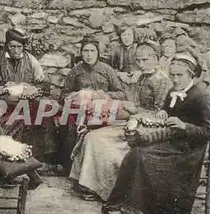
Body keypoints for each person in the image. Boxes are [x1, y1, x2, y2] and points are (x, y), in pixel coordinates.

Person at [104, 52, 210, 214]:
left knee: (143, 154)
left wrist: (185, 126)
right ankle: (117, 204)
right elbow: (166, 110)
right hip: (172, 139)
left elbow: (208, 131)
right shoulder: (173, 91)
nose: (175, 79)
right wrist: (163, 113)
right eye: (172, 75)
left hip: (188, 148)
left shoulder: (201, 95)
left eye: (180, 75)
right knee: (134, 153)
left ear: (191, 75)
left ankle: (143, 211)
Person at [69, 40, 172, 201]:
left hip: (147, 128)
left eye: (145, 60)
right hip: (133, 120)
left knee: (100, 141)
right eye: (138, 60)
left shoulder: (162, 80)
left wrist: (134, 109)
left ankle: (106, 189)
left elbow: (160, 113)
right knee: (91, 135)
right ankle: (88, 184)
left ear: (156, 58)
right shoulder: (143, 77)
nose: (140, 64)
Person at [0, 27, 50, 184]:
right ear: (6, 45)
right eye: (12, 46)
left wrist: (33, 90)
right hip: (5, 100)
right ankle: (7, 161)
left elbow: (44, 84)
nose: (16, 50)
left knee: (42, 112)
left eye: (19, 47)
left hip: (26, 100)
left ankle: (34, 160)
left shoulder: (31, 60)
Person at [58, 35, 126, 175]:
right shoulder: (76, 71)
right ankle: (71, 167)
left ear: (98, 52)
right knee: (70, 124)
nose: (89, 55)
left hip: (102, 111)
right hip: (80, 111)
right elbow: (63, 95)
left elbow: (120, 93)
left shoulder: (107, 70)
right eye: (85, 51)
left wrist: (101, 94)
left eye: (92, 51)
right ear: (81, 53)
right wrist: (77, 95)